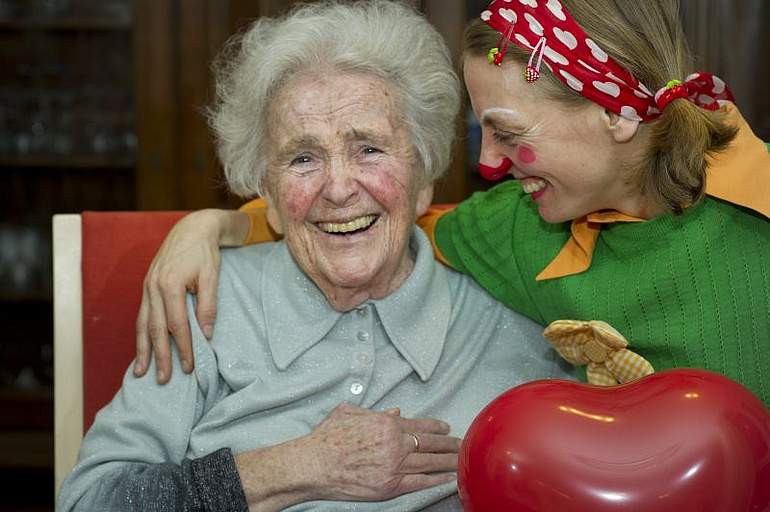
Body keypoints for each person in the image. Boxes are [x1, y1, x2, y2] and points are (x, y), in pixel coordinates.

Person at [58, 2, 573, 511]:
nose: (339, 188)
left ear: (424, 177)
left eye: (369, 149)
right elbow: (92, 501)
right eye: (303, 158)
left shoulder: (514, 307)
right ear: (269, 196)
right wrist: (302, 466)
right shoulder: (208, 303)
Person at [134, 0, 770, 405]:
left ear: (617, 115)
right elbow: (367, 217)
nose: (487, 163)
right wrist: (212, 225)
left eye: (509, 132)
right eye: (480, 133)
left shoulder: (756, 216)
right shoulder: (514, 228)